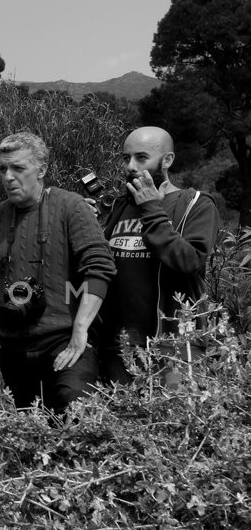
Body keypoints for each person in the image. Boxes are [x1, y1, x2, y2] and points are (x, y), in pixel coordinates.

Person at [0, 132, 115, 414]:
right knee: (29, 427)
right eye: (2, 169)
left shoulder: (70, 206)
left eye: (18, 168)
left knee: (77, 412)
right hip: (14, 348)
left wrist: (81, 329)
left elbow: (100, 267)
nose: (8, 177)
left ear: (41, 170)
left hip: (66, 342)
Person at [98, 126, 219, 384]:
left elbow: (188, 261)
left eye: (141, 158)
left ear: (167, 160)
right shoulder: (119, 206)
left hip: (175, 346)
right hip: (119, 347)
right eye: (125, 158)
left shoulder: (195, 204)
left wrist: (152, 210)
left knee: (174, 421)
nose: (130, 166)